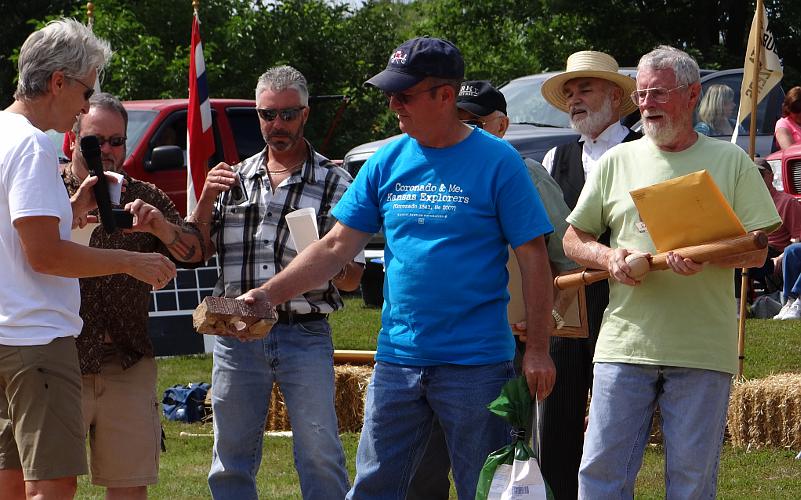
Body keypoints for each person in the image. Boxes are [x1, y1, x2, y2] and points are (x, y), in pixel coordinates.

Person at [238, 37, 557, 499]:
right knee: (375, 488)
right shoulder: (387, 160)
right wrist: (267, 295)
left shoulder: (499, 162)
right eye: (390, 93)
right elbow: (333, 248)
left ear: (445, 96)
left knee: (487, 490)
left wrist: (539, 350)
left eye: (404, 95)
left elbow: (535, 260)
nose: (392, 104)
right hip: (398, 361)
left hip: (477, 364)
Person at [562, 45, 780, 498]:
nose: (647, 105)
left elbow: (757, 252)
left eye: (658, 93)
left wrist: (707, 256)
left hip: (701, 348)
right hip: (625, 343)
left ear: (692, 94)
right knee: (600, 473)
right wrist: (611, 258)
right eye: (641, 95)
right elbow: (572, 240)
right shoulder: (616, 162)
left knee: (690, 482)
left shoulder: (731, 162)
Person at [0, 19, 175, 499]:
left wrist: (73, 210)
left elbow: (17, 239)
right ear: (58, 81)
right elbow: (45, 255)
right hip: (37, 341)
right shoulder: (33, 145)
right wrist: (129, 261)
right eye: (85, 90)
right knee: (50, 489)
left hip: (6, 335)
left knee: (10, 486)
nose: (84, 107)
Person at [188, 65, 361, 500]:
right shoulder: (232, 179)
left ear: (305, 115)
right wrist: (206, 197)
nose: (276, 125)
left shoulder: (336, 182)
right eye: (267, 115)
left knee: (320, 451)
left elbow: (355, 279)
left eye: (287, 115)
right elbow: (193, 250)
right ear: (257, 116)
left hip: (303, 332)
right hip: (236, 334)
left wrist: (325, 258)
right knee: (229, 456)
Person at [406, 79, 579, 500]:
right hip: (432, 348)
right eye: (458, 118)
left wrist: (542, 326)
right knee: (421, 470)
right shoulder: (429, 169)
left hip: (505, 348)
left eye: (476, 121)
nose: (465, 129)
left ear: (502, 125)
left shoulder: (525, 173)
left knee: (496, 471)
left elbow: (566, 263)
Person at [62, 92, 202, 500]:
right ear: (73, 139)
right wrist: (71, 214)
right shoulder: (50, 191)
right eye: (95, 140)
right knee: (52, 485)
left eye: (116, 141)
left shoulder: (145, 195)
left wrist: (160, 229)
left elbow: (194, 253)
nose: (106, 150)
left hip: (127, 358)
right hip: (59, 359)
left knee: (129, 486)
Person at [538, 49, 640, 500]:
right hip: (566, 302)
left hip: (631, 298)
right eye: (570, 93)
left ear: (616, 97)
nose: (576, 100)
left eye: (586, 89)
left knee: (614, 422)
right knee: (557, 416)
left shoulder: (644, 149)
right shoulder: (554, 158)